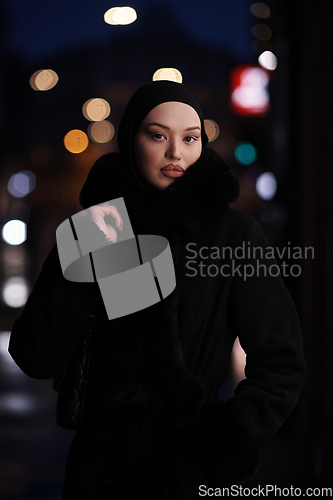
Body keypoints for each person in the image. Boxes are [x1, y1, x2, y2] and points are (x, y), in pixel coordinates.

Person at [9, 80, 306, 499]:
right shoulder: (98, 227)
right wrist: (89, 249)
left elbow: (282, 361)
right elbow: (35, 355)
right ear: (132, 139)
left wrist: (226, 437)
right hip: (100, 467)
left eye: (190, 138)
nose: (175, 153)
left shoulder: (233, 234)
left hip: (188, 469)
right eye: (157, 135)